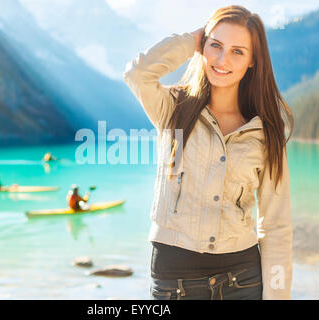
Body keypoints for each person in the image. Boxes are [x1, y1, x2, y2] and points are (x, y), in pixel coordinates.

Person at [123, 5, 293, 300]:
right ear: (204, 46)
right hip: (174, 281)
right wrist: (192, 40)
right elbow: (137, 75)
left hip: (243, 279)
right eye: (216, 45)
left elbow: (276, 225)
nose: (222, 59)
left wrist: (278, 296)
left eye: (237, 51)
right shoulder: (172, 109)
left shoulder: (265, 134)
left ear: (253, 60)